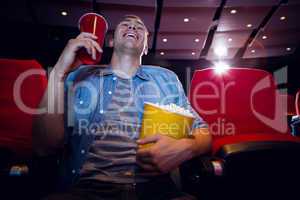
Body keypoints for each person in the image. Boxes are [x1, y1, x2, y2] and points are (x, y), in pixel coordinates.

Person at [33, 15, 211, 200]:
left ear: (146, 46)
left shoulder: (166, 78)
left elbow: (203, 133)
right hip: (87, 189)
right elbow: (44, 147)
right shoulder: (80, 76)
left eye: (139, 27)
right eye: (125, 24)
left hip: (157, 189)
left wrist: (189, 146)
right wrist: (58, 73)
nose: (132, 27)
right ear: (111, 40)